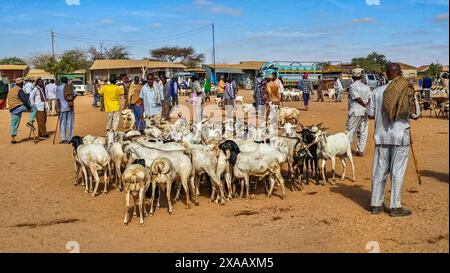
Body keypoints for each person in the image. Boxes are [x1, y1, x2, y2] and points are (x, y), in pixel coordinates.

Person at [366, 63, 420, 217]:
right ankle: (395, 207)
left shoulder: (377, 91)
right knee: (397, 173)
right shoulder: (407, 91)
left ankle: (376, 205)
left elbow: (370, 114)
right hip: (400, 137)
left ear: (386, 74)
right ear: (400, 73)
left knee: (379, 172)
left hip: (381, 137)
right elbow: (415, 115)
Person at [346, 68, 371, 157]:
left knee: (350, 131)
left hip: (355, 111)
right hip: (365, 112)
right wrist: (367, 107)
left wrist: (364, 105)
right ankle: (360, 150)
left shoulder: (352, 86)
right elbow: (369, 98)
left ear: (353, 76)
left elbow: (357, 98)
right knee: (363, 131)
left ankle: (347, 149)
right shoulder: (366, 87)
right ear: (361, 76)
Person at [7, 78, 36, 144]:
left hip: (12, 108)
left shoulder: (11, 90)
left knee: (14, 123)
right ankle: (30, 122)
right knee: (34, 107)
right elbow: (24, 100)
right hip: (18, 106)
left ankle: (13, 138)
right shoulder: (19, 90)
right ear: (21, 83)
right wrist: (29, 107)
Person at [56, 77, 76, 144]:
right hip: (70, 106)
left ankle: (63, 138)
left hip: (62, 107)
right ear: (67, 81)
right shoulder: (71, 87)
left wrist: (58, 108)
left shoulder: (58, 88)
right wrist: (71, 100)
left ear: (61, 81)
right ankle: (70, 138)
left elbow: (58, 99)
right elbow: (75, 94)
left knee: (62, 123)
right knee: (70, 122)